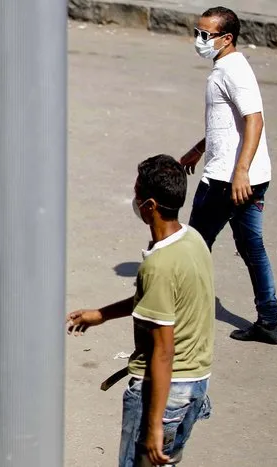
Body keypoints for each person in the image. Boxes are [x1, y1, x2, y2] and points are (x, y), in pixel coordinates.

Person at [67, 155, 214, 466]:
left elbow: (163, 350)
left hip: (164, 392)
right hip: (195, 384)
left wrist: (154, 425)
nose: (133, 199)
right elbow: (158, 301)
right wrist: (102, 314)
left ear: (149, 205)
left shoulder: (158, 267)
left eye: (136, 193)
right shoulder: (193, 241)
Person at [180, 6, 277, 345]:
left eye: (205, 35)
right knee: (253, 248)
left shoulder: (232, 71)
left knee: (193, 245)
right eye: (197, 32)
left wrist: (240, 173)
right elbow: (229, 125)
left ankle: (180, 315)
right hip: (242, 176)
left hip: (226, 180)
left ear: (227, 38)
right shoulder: (227, 66)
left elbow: (254, 120)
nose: (199, 40)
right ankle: (269, 320)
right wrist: (199, 148)